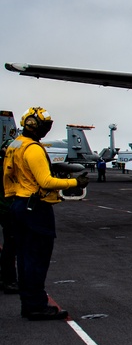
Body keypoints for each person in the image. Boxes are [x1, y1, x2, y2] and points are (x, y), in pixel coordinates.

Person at [3, 107, 89, 320]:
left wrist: (13, 198)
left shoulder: (15, 145)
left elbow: (8, 175)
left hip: (18, 205)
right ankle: (37, 305)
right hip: (35, 209)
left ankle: (29, 303)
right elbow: (46, 181)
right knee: (37, 258)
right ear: (37, 126)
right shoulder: (33, 149)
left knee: (23, 258)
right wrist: (75, 182)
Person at [0, 131, 18, 294]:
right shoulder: (7, 167)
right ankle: (9, 281)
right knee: (10, 246)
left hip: (5, 208)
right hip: (6, 209)